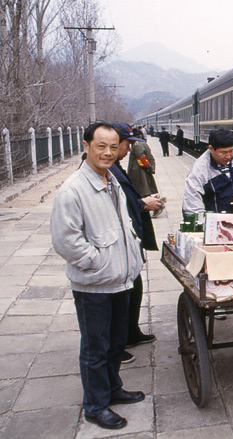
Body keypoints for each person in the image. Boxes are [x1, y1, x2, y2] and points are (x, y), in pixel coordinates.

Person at [50, 121, 145, 430]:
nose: (108, 152)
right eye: (100, 146)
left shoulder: (111, 180)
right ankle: (95, 405)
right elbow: (67, 242)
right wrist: (99, 263)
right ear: (86, 146)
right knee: (95, 348)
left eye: (113, 146)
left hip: (119, 281)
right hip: (94, 286)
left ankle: (112, 388)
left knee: (117, 342)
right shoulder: (73, 190)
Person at [110, 122, 163, 356]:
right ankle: (119, 342)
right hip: (117, 243)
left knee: (136, 284)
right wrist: (144, 203)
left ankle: (132, 331)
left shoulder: (116, 166)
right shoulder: (107, 169)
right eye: (126, 144)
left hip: (129, 239)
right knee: (121, 295)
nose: (129, 149)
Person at [182, 127, 233, 220]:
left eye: (231, 151)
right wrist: (206, 227)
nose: (229, 156)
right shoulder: (199, 170)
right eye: (224, 152)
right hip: (211, 223)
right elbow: (192, 207)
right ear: (211, 149)